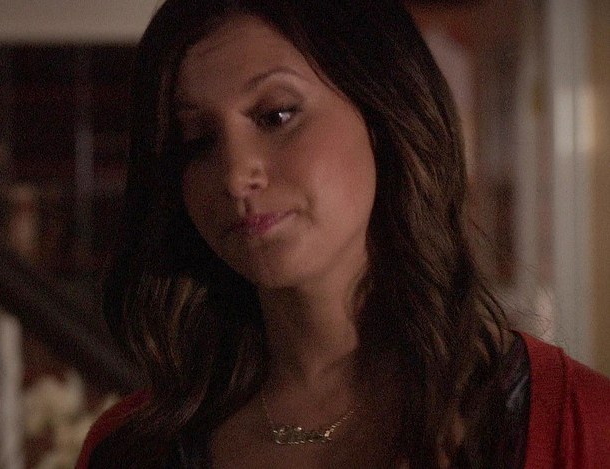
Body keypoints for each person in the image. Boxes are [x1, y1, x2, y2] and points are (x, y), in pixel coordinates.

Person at [77, 0, 610, 467]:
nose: (236, 176)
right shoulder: (131, 450)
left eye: (276, 115)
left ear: (383, 116)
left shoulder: (576, 426)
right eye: (197, 140)